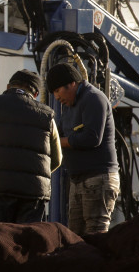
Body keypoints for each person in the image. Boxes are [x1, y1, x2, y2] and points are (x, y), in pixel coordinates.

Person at [0, 69, 62, 224]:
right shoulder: (47, 115)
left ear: (9, 86)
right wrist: (35, 175)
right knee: (27, 242)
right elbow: (57, 159)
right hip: (32, 193)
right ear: (35, 94)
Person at [47, 62, 119, 235]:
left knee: (95, 236)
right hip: (79, 180)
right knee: (76, 238)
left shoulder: (93, 98)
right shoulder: (68, 106)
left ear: (71, 83)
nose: (56, 97)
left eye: (58, 91)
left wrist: (59, 142)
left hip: (98, 179)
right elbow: (58, 133)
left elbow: (92, 138)